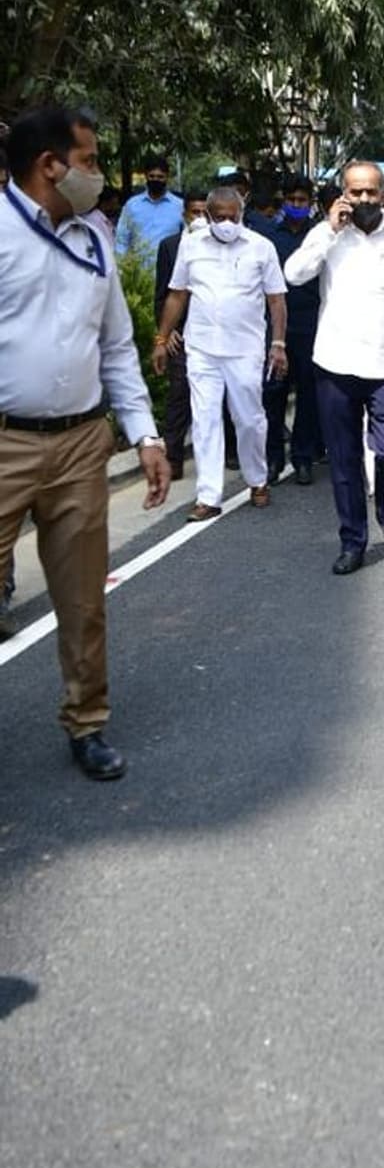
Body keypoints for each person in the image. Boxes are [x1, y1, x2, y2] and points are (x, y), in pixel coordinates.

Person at [0, 104, 170, 779]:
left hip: (80, 444)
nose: (99, 174)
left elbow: (118, 348)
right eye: (91, 161)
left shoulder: (96, 239)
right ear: (50, 165)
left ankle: (87, 723)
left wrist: (146, 434)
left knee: (82, 601)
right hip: (6, 442)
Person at [286, 160, 384, 573]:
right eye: (356, 192)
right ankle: (353, 540)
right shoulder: (326, 235)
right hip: (335, 364)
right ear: (344, 194)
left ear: (383, 194)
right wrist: (328, 231)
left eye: (372, 191)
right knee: (344, 460)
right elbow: (293, 274)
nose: (365, 199)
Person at [154, 184, 285, 521]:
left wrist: (278, 344)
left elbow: (275, 299)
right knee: (205, 421)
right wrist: (161, 339)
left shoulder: (261, 247)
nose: (227, 223)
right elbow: (177, 294)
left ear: (242, 214)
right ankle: (208, 496)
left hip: (245, 349)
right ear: (209, 216)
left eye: (233, 216)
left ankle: (257, 479)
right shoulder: (191, 245)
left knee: (249, 419)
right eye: (220, 217)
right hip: (202, 348)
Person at [262, 174, 323, 485]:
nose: (297, 205)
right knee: (273, 393)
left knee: (308, 395)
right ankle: (273, 458)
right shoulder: (268, 237)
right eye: (292, 200)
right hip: (275, 327)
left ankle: (303, 457)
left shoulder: (321, 236)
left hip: (312, 324)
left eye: (302, 200)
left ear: (311, 203)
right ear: (283, 201)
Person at [153, 188, 210, 478]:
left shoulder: (218, 244)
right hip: (181, 334)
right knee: (179, 395)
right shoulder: (170, 246)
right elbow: (163, 293)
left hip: (210, 331)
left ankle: (229, 452)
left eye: (204, 213)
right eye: (194, 212)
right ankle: (173, 458)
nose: (199, 218)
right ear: (184, 214)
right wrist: (166, 332)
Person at [115, 153, 184, 267]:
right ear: (146, 176)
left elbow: (187, 237)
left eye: (160, 177)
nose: (156, 180)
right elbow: (121, 238)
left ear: (167, 177)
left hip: (169, 269)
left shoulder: (180, 206)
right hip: (138, 270)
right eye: (152, 176)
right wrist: (121, 265)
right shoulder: (132, 205)